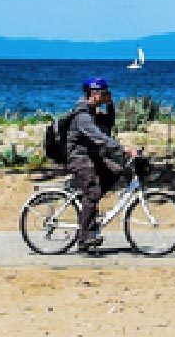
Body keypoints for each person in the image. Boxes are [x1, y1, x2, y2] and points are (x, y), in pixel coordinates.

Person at [62, 77, 138, 251]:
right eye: (103, 93)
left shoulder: (92, 111)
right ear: (94, 94)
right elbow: (99, 138)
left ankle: (89, 205)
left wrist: (110, 105)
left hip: (90, 156)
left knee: (116, 171)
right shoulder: (82, 116)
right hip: (78, 158)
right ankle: (84, 237)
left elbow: (107, 125)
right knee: (93, 190)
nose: (105, 96)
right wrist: (124, 149)